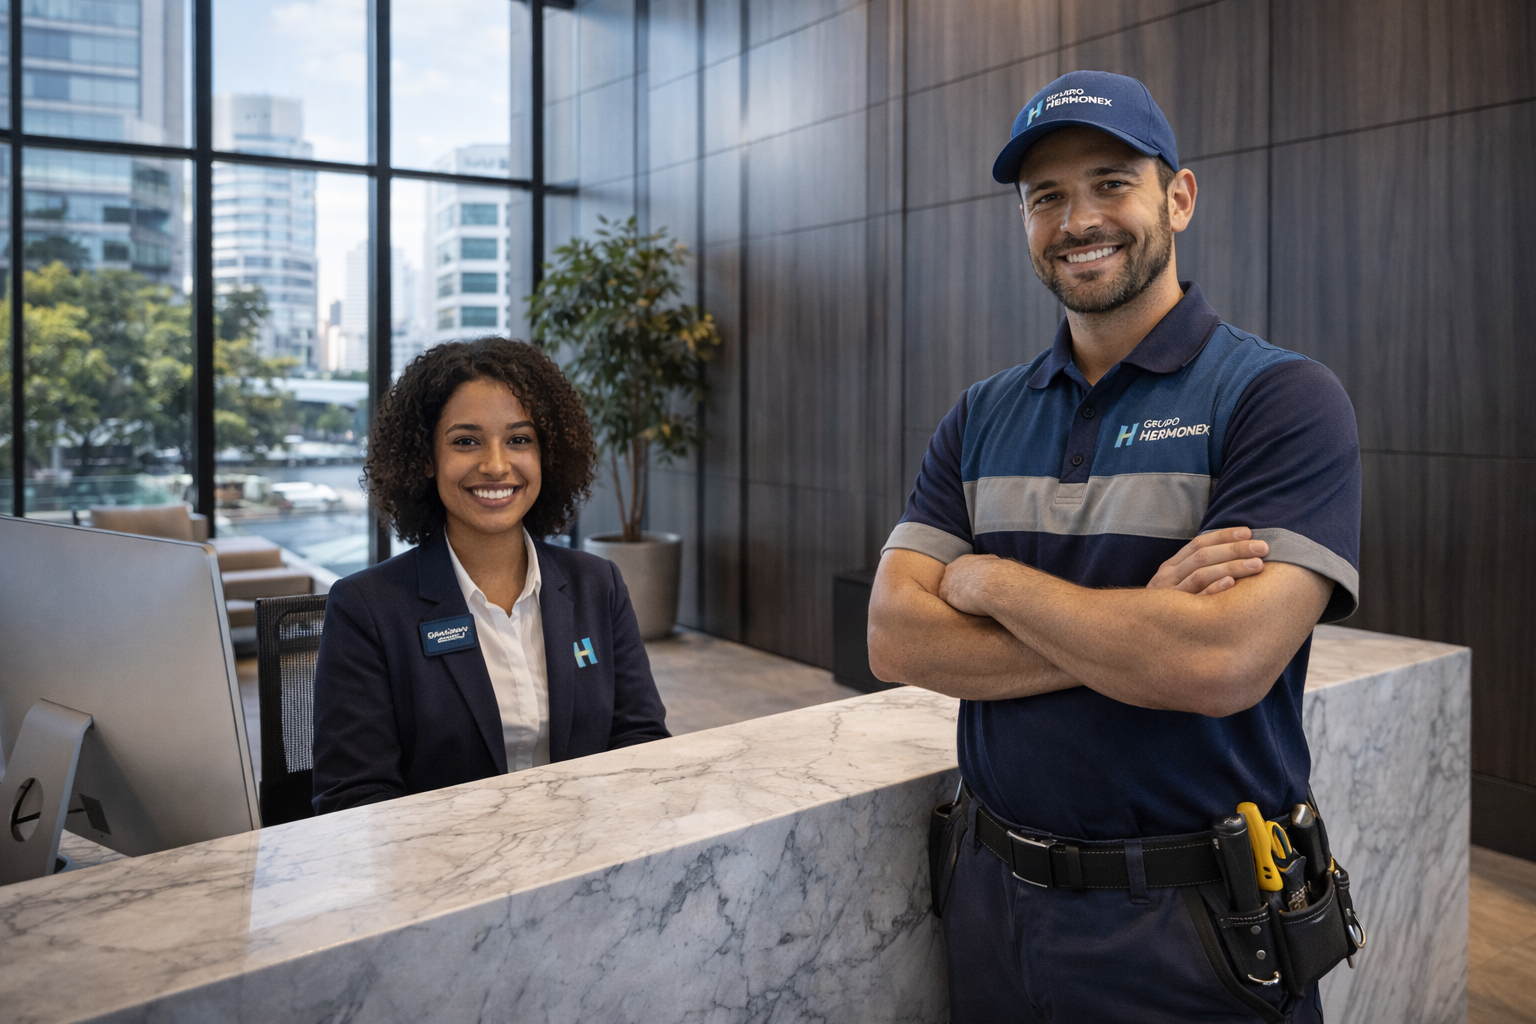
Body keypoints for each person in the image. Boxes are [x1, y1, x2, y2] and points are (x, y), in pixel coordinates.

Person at [867, 70, 1360, 1023]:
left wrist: (991, 579)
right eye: (1046, 196)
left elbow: (1218, 661)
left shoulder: (1279, 399)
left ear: (1178, 197)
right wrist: (1141, 624)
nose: (1078, 218)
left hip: (1194, 926)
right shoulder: (981, 414)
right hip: (990, 901)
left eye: (1109, 182)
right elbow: (895, 638)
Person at [312, 338, 670, 814]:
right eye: (466, 441)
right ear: (424, 458)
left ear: (548, 454)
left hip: (588, 861)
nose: (497, 465)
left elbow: (642, 744)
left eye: (519, 439)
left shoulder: (597, 585)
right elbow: (356, 800)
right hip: (445, 877)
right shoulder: (367, 608)